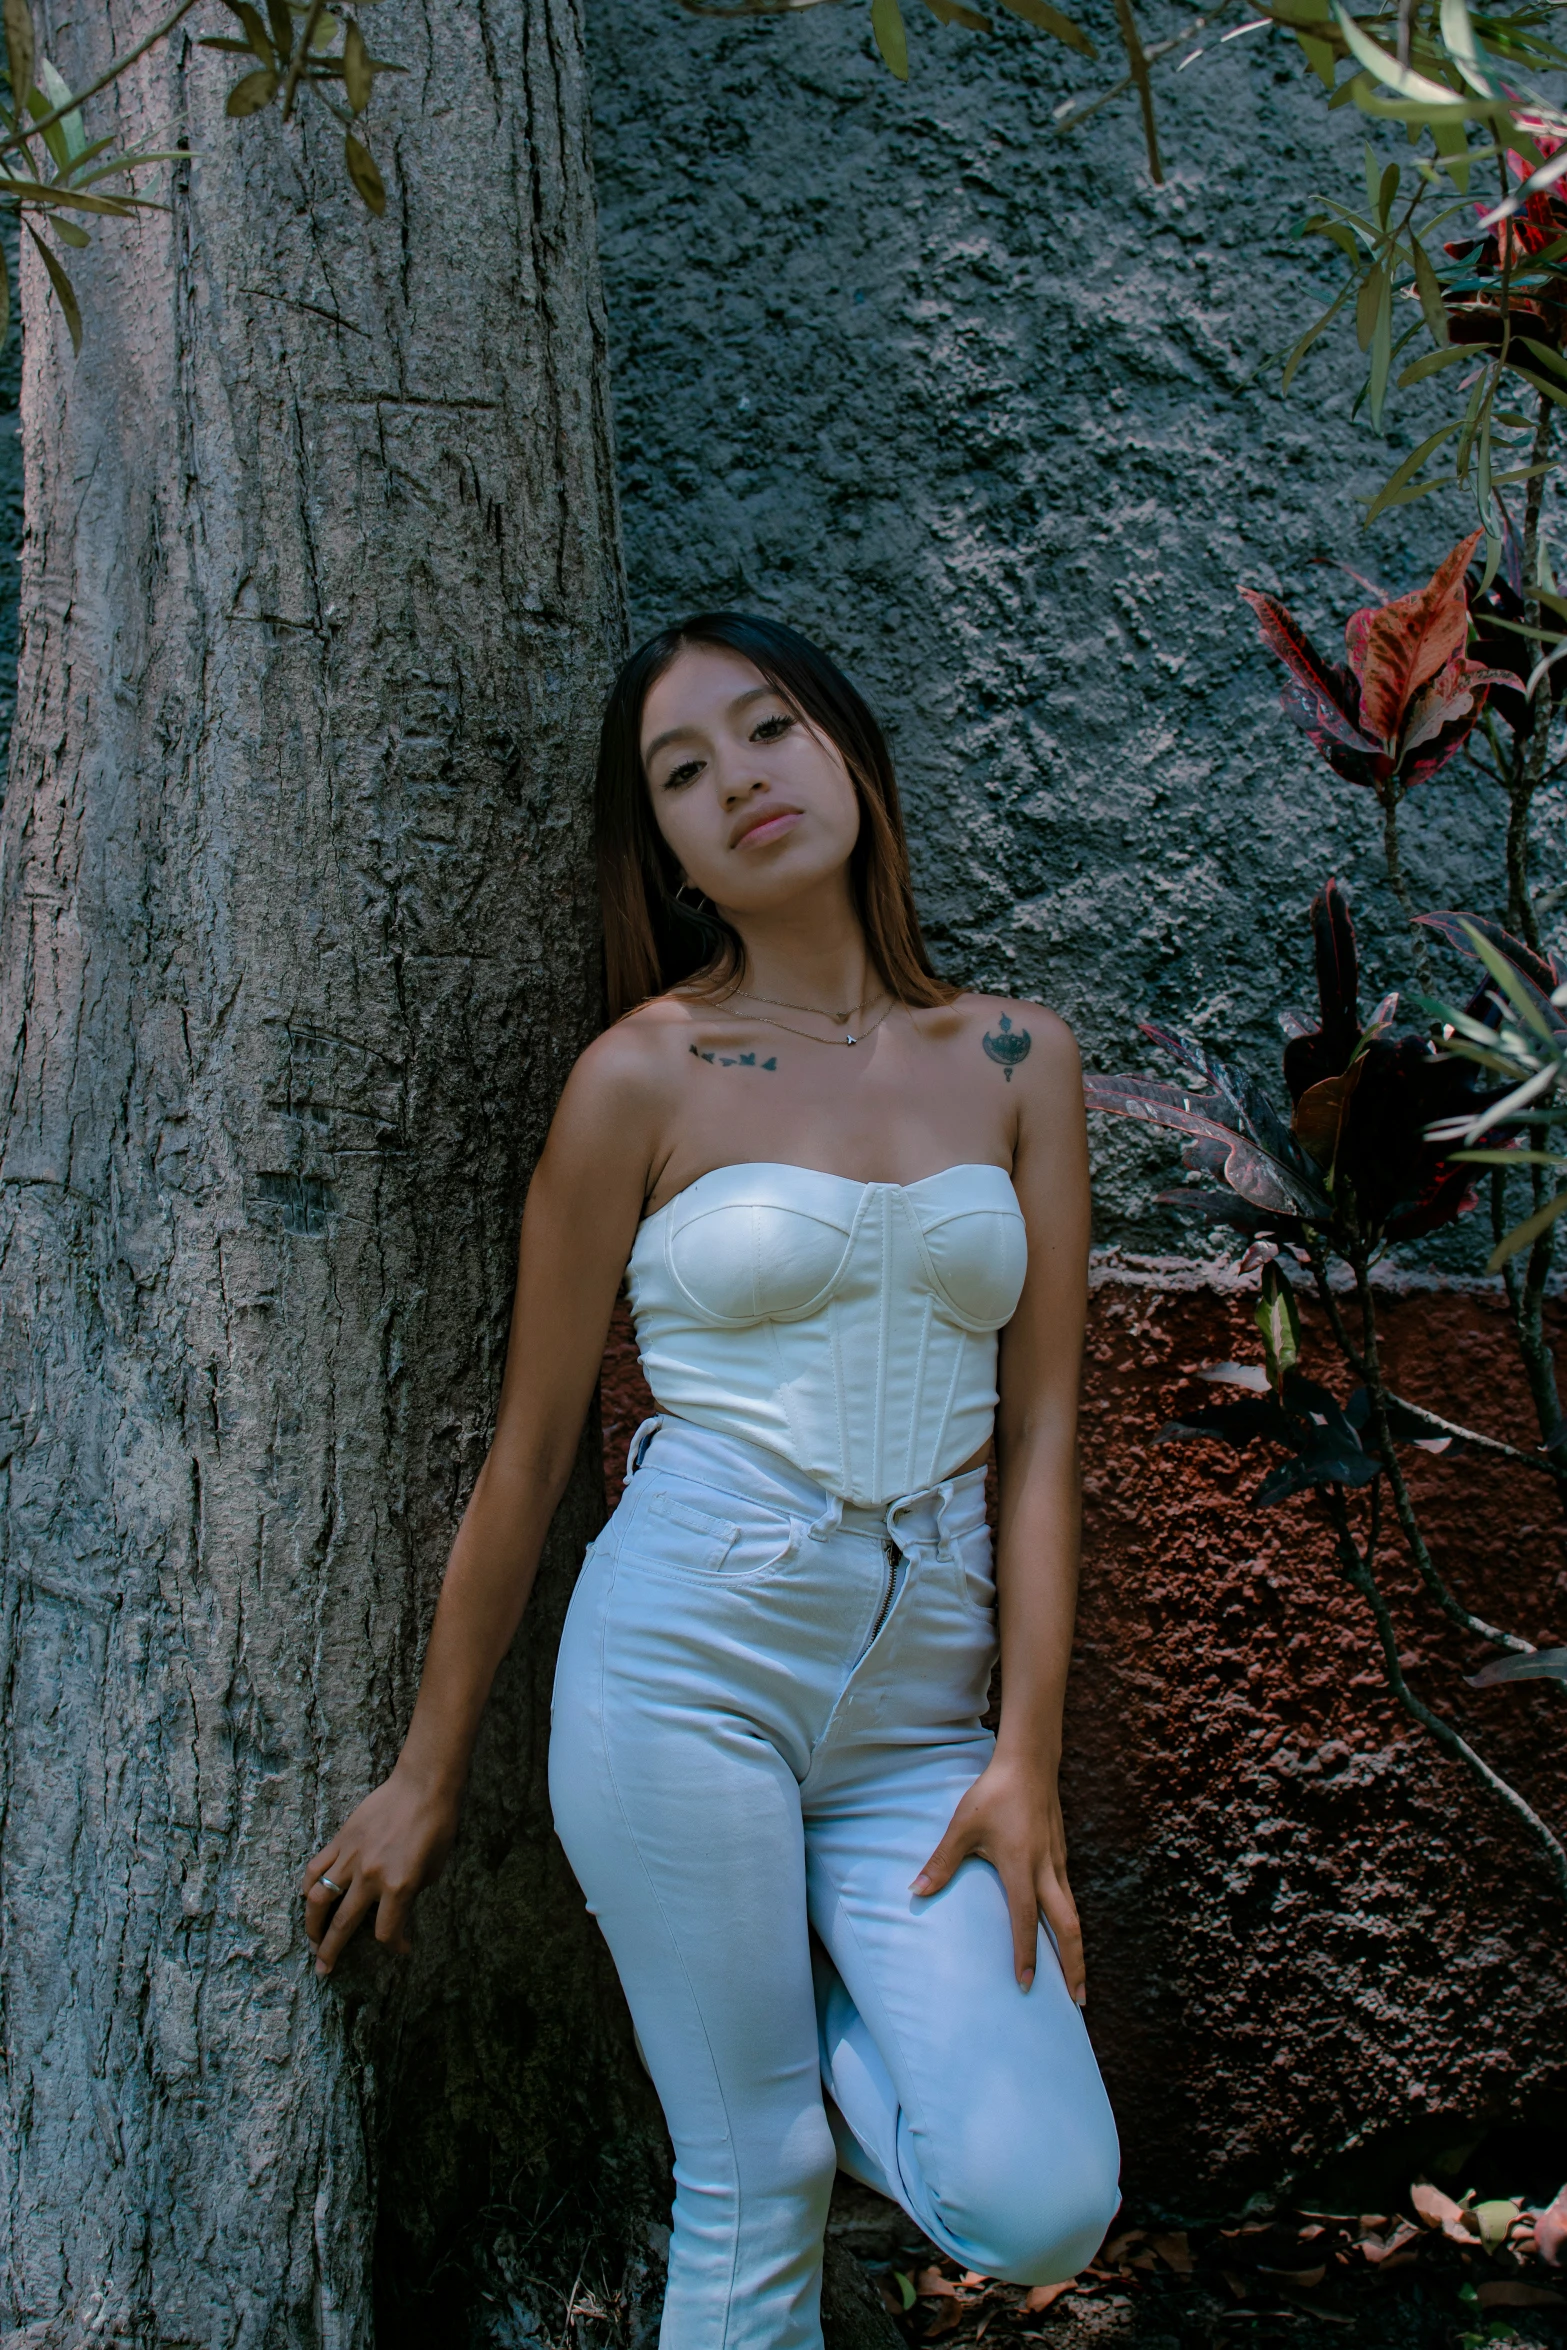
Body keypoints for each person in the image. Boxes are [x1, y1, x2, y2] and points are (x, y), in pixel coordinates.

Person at [303, 612, 1121, 2347]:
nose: (737, 779)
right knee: (753, 2184)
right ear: (662, 850)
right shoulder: (642, 1078)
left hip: (926, 1711)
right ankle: (750, 2036)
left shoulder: (1016, 1060)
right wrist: (425, 1771)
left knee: (1042, 2200)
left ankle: (799, 1989)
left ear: (846, 753)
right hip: (686, 1662)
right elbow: (531, 1451)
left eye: (767, 730)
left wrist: (1025, 1753)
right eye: (685, 770)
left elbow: (1043, 1429)